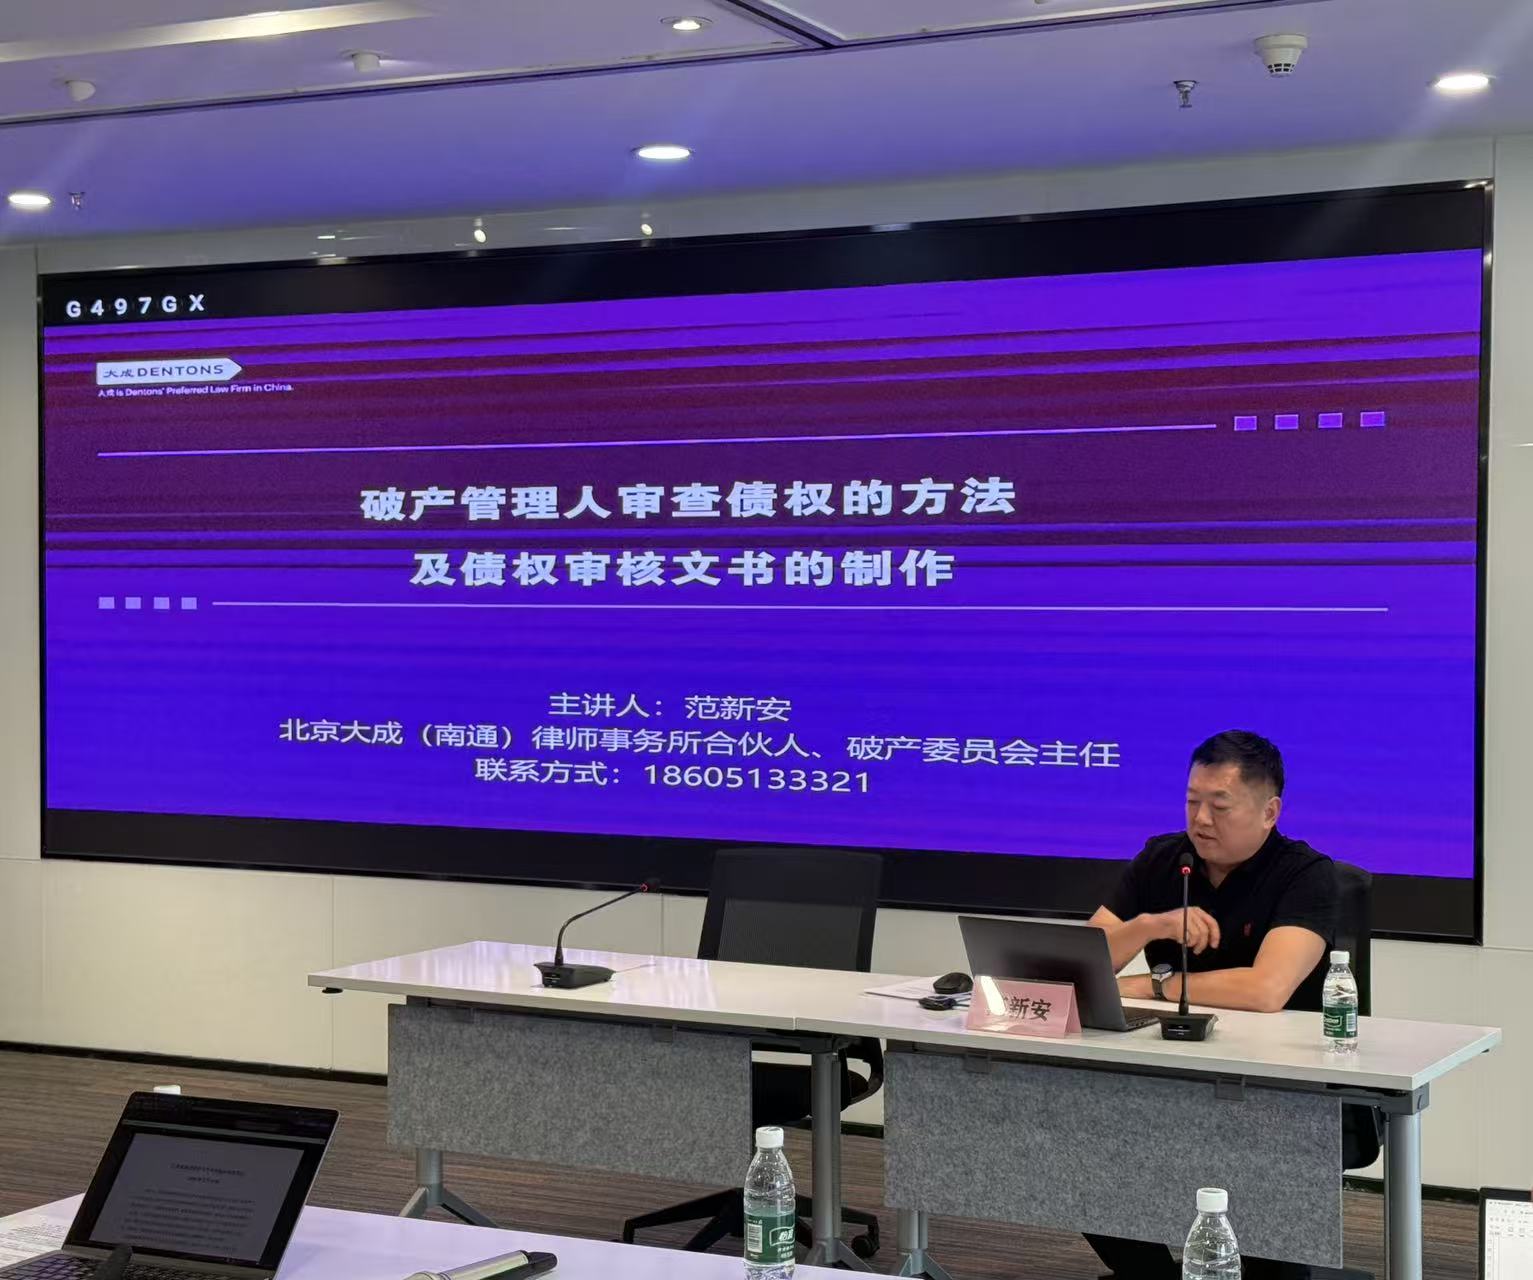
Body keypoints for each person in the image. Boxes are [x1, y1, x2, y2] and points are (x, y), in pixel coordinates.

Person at [1084, 730, 1339, 1280]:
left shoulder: (1306, 875)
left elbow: (1266, 990)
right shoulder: (1164, 859)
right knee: (1082, 1141)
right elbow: (1082, 962)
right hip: (1167, 1069)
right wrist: (1148, 926)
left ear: (1269, 812)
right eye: (1192, 801)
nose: (1201, 820)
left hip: (1277, 1088)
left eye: (1219, 806)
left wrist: (1155, 986)